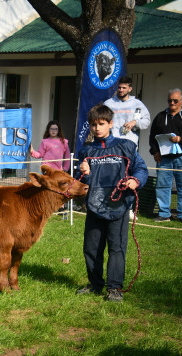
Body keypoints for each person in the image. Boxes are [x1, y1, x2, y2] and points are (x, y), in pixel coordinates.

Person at [75, 104, 148, 303]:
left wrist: (135, 180)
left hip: (119, 206)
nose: (97, 128)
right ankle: (95, 284)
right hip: (94, 207)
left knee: (117, 248)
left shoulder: (126, 146)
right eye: (93, 124)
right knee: (91, 248)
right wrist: (84, 173)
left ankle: (114, 288)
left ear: (110, 123)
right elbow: (79, 182)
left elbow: (141, 169)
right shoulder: (86, 151)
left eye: (101, 123)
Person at [148, 88, 182, 222]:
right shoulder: (160, 117)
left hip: (180, 157)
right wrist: (155, 152)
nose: (172, 103)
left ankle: (181, 215)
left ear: (180, 101)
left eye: (175, 100)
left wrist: (180, 139)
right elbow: (152, 137)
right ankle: (164, 214)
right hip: (163, 158)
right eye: (170, 101)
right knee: (162, 186)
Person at [104, 75, 151, 147]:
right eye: (119, 87)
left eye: (124, 88)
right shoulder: (108, 103)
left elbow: (147, 121)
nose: (121, 90)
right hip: (111, 143)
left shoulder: (137, 103)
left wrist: (135, 122)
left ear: (130, 89)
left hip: (130, 144)